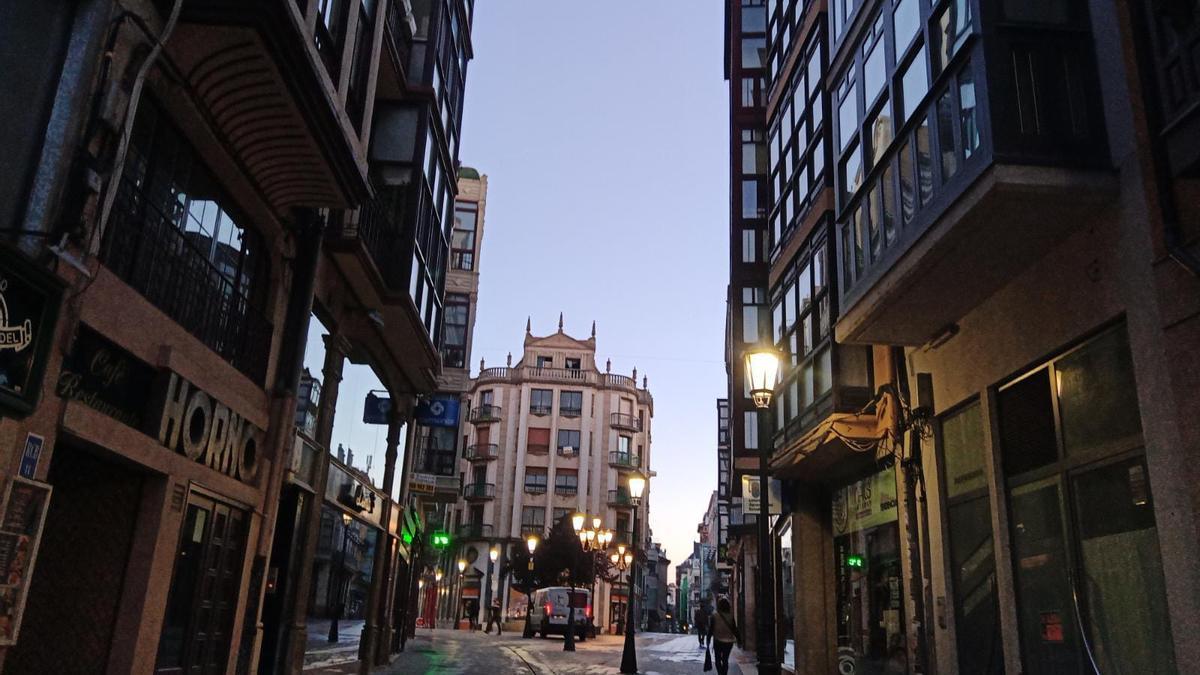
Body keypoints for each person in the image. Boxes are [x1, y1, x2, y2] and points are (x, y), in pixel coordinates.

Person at [707, 597, 741, 675]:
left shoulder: (714, 616)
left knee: (718, 660)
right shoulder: (731, 616)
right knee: (725, 660)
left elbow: (711, 629)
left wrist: (708, 639)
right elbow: (734, 629)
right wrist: (739, 639)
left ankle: (720, 673)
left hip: (718, 641)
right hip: (729, 642)